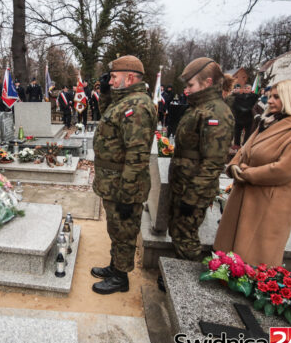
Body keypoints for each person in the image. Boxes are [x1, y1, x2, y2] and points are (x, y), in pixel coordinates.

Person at [214, 79, 291, 266]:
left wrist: (244, 173)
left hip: (271, 200)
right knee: (233, 253)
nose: (269, 101)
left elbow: (285, 169)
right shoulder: (271, 120)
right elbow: (246, 148)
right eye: (270, 96)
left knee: (256, 256)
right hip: (249, 194)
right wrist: (234, 165)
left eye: (276, 97)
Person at [90, 55, 157, 295]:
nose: (110, 81)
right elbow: (108, 117)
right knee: (116, 228)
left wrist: (128, 195)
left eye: (113, 77)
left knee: (124, 232)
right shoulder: (125, 101)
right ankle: (115, 266)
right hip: (114, 183)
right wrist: (105, 92)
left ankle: (120, 278)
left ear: (129, 78)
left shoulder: (137, 106)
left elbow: (137, 155)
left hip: (124, 186)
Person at [167, 57, 234, 266]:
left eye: (191, 85)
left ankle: (186, 278)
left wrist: (192, 198)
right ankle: (176, 274)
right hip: (184, 184)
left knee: (186, 237)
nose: (186, 90)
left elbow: (213, 162)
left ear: (207, 82)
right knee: (178, 232)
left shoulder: (216, 112)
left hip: (193, 189)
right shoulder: (199, 107)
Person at [231, 83, 259, 148]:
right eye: (245, 88)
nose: (246, 89)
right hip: (239, 116)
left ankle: (245, 144)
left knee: (248, 132)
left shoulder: (255, 97)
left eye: (248, 88)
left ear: (251, 89)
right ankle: (237, 144)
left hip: (249, 116)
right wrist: (241, 109)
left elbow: (255, 106)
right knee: (237, 131)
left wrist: (248, 109)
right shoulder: (238, 96)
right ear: (243, 89)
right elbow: (235, 105)